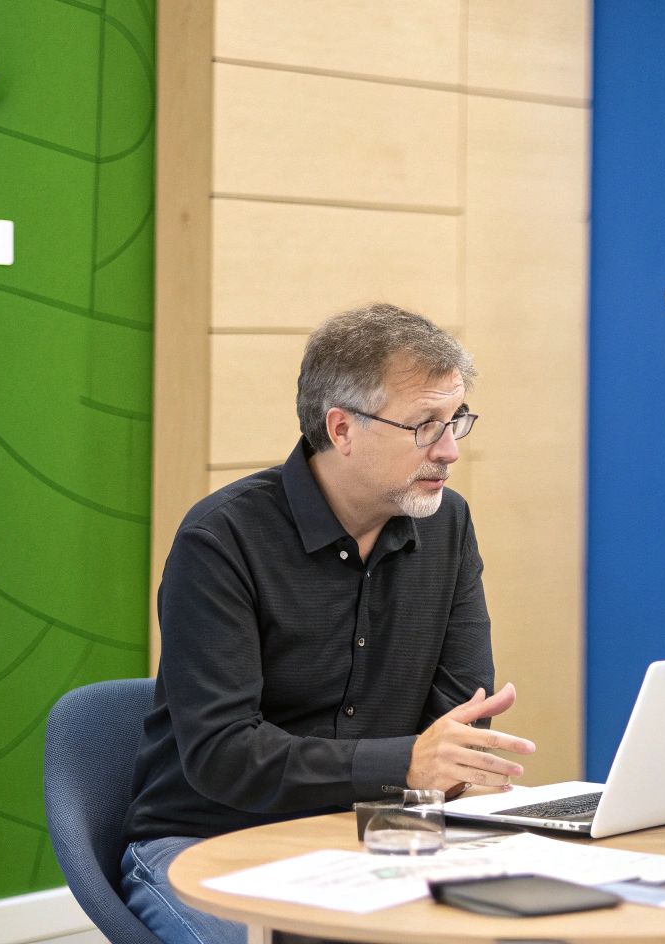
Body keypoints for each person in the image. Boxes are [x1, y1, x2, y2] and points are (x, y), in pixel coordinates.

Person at [119, 304, 538, 944]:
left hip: (378, 834)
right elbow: (222, 755)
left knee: (533, 924)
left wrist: (448, 763)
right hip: (211, 839)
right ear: (342, 429)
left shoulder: (447, 524)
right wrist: (407, 763)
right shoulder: (222, 538)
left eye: (456, 420)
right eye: (426, 426)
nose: (450, 450)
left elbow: (457, 722)